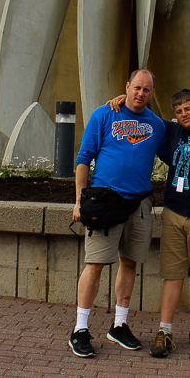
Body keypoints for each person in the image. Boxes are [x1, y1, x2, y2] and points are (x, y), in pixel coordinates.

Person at [109, 88, 190, 358]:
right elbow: (143, 113)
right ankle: (164, 331)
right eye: (178, 111)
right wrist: (123, 98)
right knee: (173, 274)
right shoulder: (172, 130)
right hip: (175, 216)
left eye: (187, 109)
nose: (183, 115)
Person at [69, 69, 166, 359]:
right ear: (127, 87)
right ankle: (80, 328)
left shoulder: (157, 125)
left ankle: (119, 324)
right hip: (105, 202)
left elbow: (176, 146)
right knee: (95, 264)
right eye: (136, 88)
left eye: (147, 90)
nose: (141, 94)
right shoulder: (104, 114)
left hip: (139, 203)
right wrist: (79, 202)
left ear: (151, 93)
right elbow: (84, 159)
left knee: (130, 263)